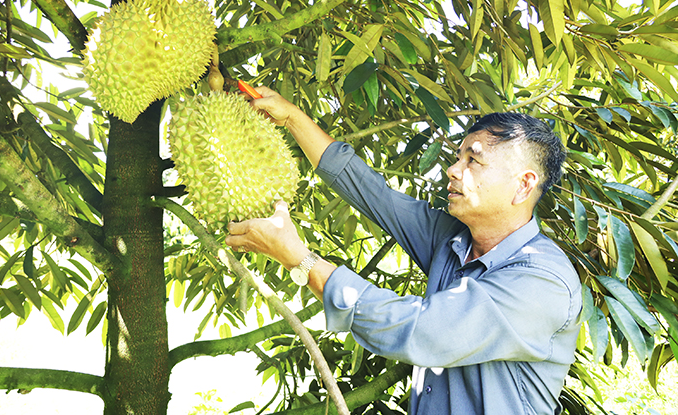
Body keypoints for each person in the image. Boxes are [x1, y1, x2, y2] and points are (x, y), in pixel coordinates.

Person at [225, 87, 582, 415]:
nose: (453, 169)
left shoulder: (542, 281)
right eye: (458, 157)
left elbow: (424, 331)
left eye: (473, 161)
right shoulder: (454, 240)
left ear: (523, 186)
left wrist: (301, 260)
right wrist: (292, 118)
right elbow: (374, 194)